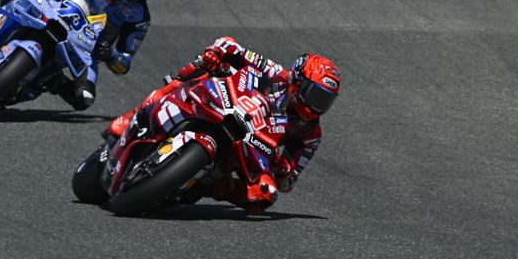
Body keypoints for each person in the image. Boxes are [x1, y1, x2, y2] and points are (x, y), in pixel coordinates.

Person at [104, 35, 341, 213]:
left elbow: (288, 182)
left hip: (247, 152)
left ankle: (201, 187)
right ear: (297, 81)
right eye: (315, 95)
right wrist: (215, 53)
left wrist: (282, 167)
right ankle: (141, 111)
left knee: (264, 197)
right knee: (200, 70)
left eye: (325, 101)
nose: (317, 106)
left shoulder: (311, 135)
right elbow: (230, 45)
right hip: (221, 105)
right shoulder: (274, 72)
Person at [0, 0, 157, 109]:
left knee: (84, 98)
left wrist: (110, 55)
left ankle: (52, 79)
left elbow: (124, 64)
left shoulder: (140, 15)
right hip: (68, 13)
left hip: (87, 46)